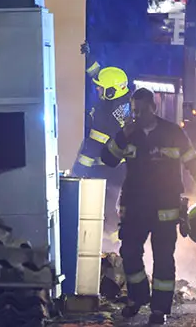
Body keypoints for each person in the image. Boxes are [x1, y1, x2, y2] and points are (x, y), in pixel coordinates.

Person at [100, 88, 196, 325]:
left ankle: (159, 309)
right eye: (135, 111)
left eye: (143, 110)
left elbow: (194, 163)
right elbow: (108, 159)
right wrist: (122, 135)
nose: (138, 115)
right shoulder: (128, 134)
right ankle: (138, 297)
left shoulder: (173, 133)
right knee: (129, 253)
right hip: (134, 206)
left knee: (163, 259)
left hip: (165, 208)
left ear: (153, 108)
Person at [72, 42, 132, 252]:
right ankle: (113, 242)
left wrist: (77, 172)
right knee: (111, 205)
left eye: (100, 88)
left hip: (109, 170)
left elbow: (92, 147)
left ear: (111, 91)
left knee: (107, 207)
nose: (97, 89)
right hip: (120, 168)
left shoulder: (107, 117)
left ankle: (113, 246)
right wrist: (89, 58)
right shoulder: (122, 100)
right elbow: (100, 75)